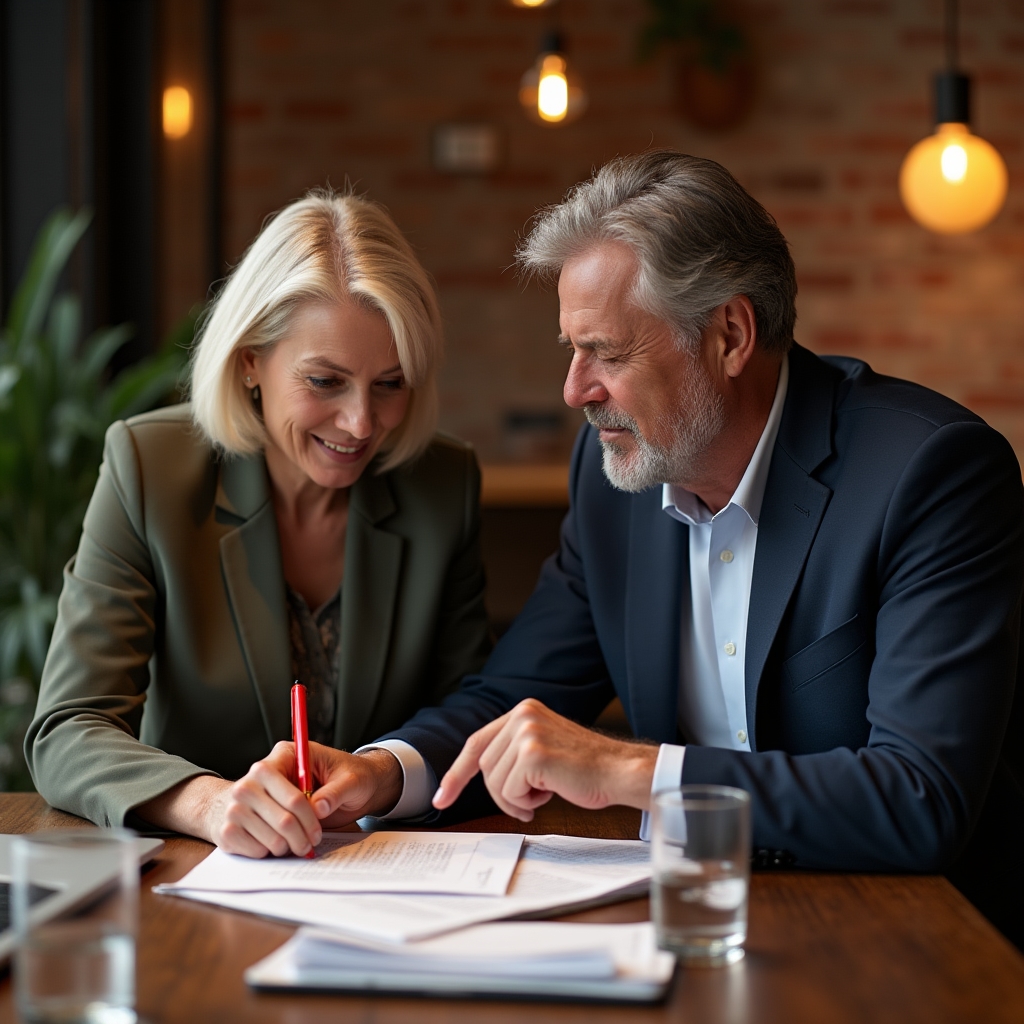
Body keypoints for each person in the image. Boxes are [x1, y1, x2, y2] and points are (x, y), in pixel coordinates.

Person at [312, 152, 1024, 944]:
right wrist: (381, 771)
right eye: (571, 350)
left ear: (729, 333)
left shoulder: (931, 472)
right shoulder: (615, 472)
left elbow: (920, 799)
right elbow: (513, 698)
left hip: (905, 938)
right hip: (679, 923)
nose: (574, 389)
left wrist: (633, 772)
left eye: (608, 354)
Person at [25, 189, 491, 859]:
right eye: (325, 381)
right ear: (251, 362)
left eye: (389, 383)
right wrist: (210, 803)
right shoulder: (149, 469)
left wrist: (387, 776)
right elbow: (68, 728)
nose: (362, 423)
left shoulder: (443, 487)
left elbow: (470, 715)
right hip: (198, 880)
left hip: (383, 875)